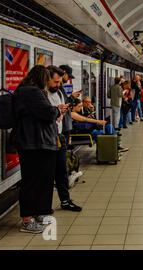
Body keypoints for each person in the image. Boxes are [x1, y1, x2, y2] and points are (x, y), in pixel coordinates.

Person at [13, 65, 64, 233]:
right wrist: (57, 110)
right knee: (33, 181)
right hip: (34, 143)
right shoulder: (32, 92)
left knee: (40, 180)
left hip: (36, 142)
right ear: (43, 78)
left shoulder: (25, 91)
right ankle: (27, 220)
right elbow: (47, 114)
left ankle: (37, 213)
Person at [47, 66, 82, 212]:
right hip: (48, 138)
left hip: (60, 135)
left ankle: (65, 200)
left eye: (59, 82)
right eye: (55, 82)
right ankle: (44, 207)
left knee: (62, 171)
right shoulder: (42, 94)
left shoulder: (59, 91)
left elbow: (64, 108)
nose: (58, 85)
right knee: (48, 174)